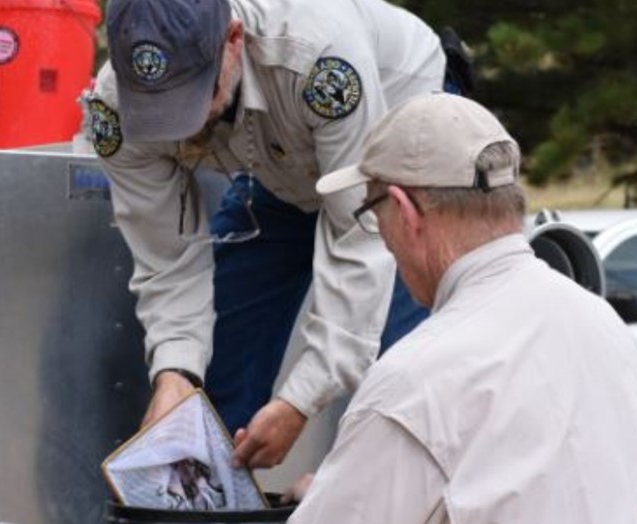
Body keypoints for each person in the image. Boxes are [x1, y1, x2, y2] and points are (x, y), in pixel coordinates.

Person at [233, 94, 637, 524]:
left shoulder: (418, 380)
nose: (379, 234)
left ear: (405, 212)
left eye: (371, 214)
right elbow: (534, 521)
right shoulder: (598, 323)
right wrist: (344, 497)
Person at [88, 0, 452, 468]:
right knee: (215, 379)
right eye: (154, 107)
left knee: (400, 377)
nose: (179, 126)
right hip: (280, 160)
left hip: (396, 130)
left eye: (190, 97)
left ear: (233, 42)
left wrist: (299, 401)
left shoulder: (322, 61)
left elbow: (361, 236)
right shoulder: (114, 112)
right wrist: (176, 373)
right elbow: (167, 256)